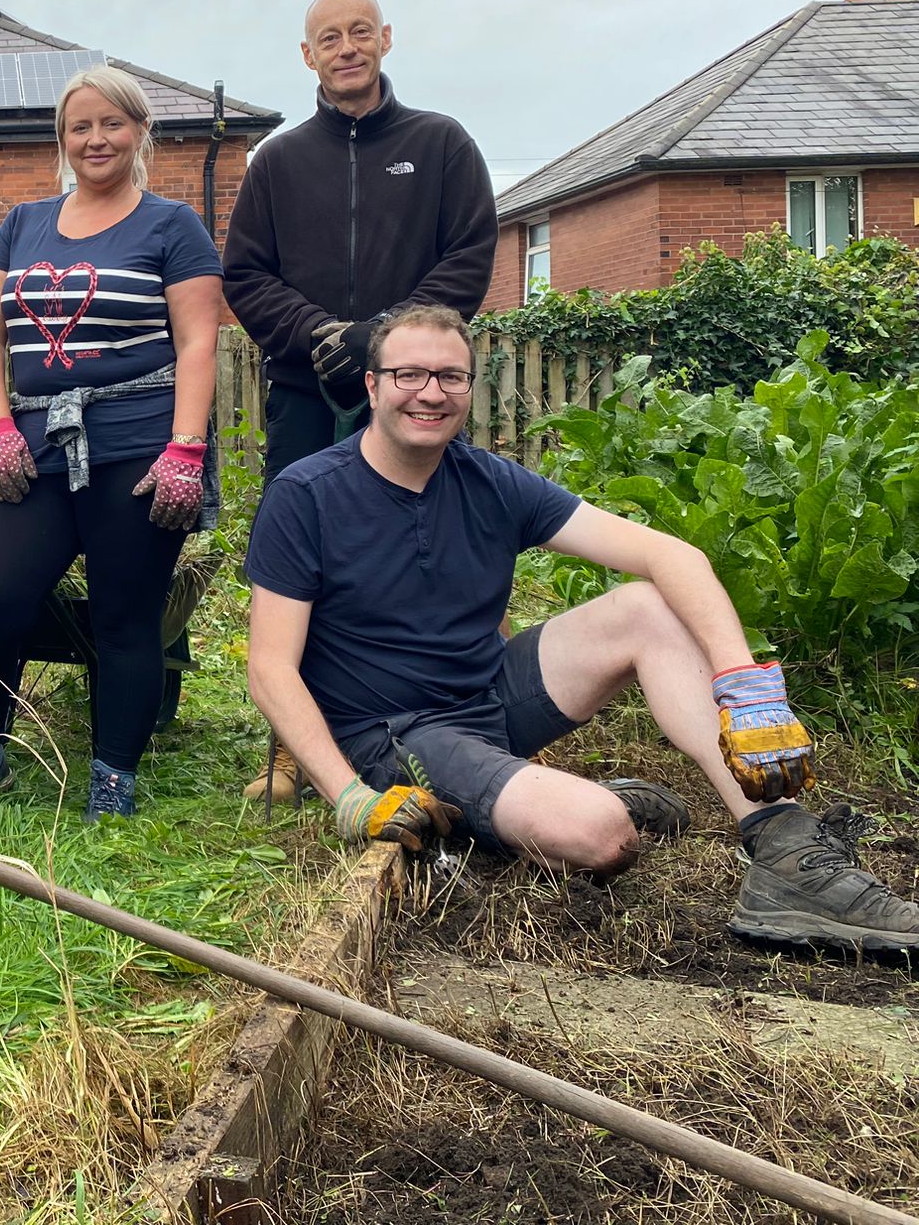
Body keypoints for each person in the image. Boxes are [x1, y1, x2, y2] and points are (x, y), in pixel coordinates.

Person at [244, 304, 919, 952]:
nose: (430, 393)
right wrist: (350, 799)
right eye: (408, 375)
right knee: (604, 835)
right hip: (393, 736)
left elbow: (671, 555)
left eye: (450, 377)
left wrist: (746, 685)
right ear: (372, 384)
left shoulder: (490, 482)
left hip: (486, 698)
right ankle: (558, 802)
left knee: (648, 606)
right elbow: (271, 668)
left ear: (469, 388)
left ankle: (783, 846)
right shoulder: (307, 496)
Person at [222, 0, 496, 802]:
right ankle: (288, 752)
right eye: (328, 38)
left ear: (386, 40)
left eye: (359, 33)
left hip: (417, 396)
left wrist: (380, 336)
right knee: (294, 570)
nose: (346, 48)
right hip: (308, 396)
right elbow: (244, 273)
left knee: (447, 555)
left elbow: (470, 258)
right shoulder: (275, 160)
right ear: (307, 56)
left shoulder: (441, 144)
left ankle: (472, 723)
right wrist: (317, 336)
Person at [0, 67, 224, 822]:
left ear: (139, 133)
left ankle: (113, 776)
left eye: (112, 124)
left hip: (140, 447)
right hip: (33, 447)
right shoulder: (22, 221)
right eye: (80, 127)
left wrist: (186, 451)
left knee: (125, 617)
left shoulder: (172, 226)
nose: (95, 139)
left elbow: (200, 341)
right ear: (62, 140)